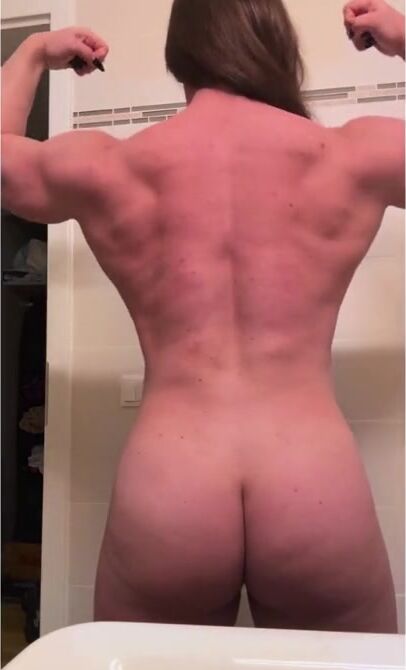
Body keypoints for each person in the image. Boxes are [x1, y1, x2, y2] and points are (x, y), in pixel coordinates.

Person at [2, 0, 404, 632]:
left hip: (171, 479)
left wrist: (31, 54)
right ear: (274, 42)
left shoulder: (110, 164)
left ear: (180, 55)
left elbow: (5, 166)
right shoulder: (351, 153)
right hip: (313, 477)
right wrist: (404, 38)